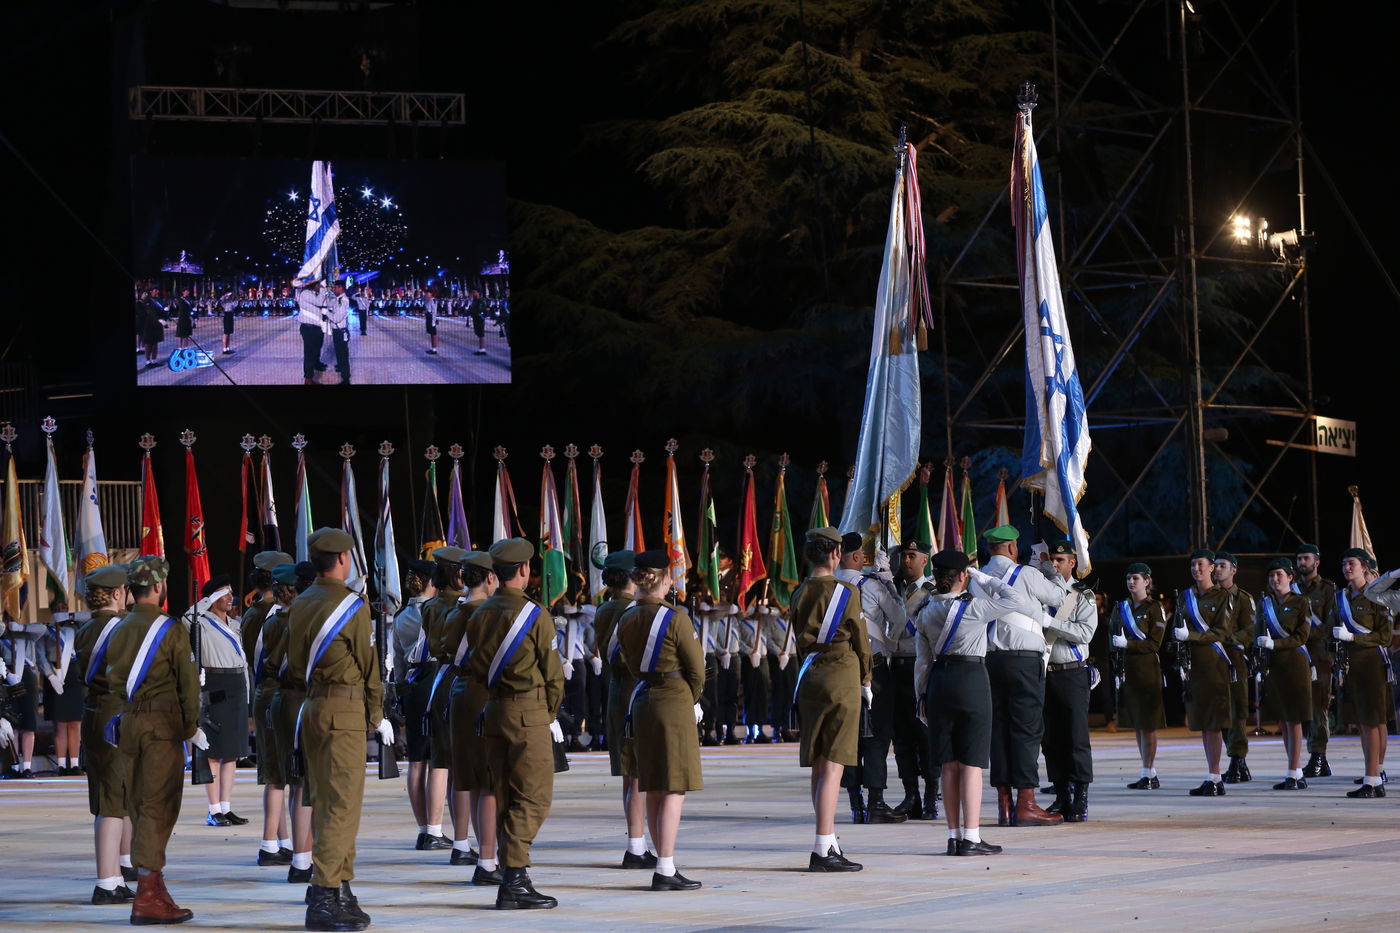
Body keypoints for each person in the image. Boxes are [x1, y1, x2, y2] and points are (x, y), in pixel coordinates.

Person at [285, 528, 389, 932]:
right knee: (342, 806)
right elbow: (368, 664)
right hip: (344, 709)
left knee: (329, 802)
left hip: (312, 707)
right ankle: (324, 895)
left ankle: (342, 887)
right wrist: (376, 714)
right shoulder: (351, 605)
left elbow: (295, 665)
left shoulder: (300, 603)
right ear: (343, 560)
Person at [913, 549, 1043, 856]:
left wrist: (921, 696)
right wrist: (986, 579)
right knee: (971, 763)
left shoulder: (926, 612)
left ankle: (953, 835)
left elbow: (922, 662)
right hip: (971, 679)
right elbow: (1017, 601)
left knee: (948, 764)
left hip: (939, 682)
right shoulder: (973, 609)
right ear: (962, 576)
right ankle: (972, 836)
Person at [465, 538, 564, 910]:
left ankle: (512, 880)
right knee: (533, 798)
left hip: (494, 710)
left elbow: (476, 666)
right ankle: (515, 878)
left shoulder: (480, 614)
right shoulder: (534, 615)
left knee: (505, 795)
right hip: (528, 712)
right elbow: (553, 675)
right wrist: (549, 712)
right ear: (523, 570)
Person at [104, 556, 202, 924]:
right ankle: (146, 895)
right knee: (158, 807)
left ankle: (155, 886)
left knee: (139, 803)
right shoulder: (170, 629)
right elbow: (187, 683)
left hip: (129, 721)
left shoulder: (119, 628)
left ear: (130, 589)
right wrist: (191, 726)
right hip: (161, 724)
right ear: (159, 587)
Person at [618, 549, 706, 890]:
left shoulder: (626, 618)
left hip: (642, 699)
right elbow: (697, 670)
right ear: (664, 579)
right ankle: (666, 867)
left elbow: (627, 662)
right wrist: (692, 697)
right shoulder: (675, 618)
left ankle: (663, 861)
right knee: (673, 785)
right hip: (673, 699)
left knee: (653, 782)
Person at [787, 529, 871, 872]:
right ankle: (823, 847)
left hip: (809, 675)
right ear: (836, 554)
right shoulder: (846, 592)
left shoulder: (799, 592)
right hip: (840, 674)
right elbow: (861, 639)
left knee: (820, 764)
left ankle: (829, 839)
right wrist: (866, 677)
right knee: (835, 765)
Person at [979, 525, 1063, 827]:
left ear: (991, 549)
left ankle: (1004, 803)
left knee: (998, 730)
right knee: (1026, 730)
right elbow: (1059, 596)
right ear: (1013, 548)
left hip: (988, 661)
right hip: (1023, 661)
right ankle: (1026, 803)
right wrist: (1047, 567)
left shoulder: (978, 577)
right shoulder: (1026, 574)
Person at [833, 533, 907, 825]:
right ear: (855, 557)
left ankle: (855, 804)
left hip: (839, 670)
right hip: (873, 669)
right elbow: (900, 617)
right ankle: (875, 802)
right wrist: (887, 581)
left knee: (848, 736)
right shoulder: (872, 586)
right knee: (877, 736)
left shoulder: (827, 587)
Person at [74, 563, 136, 904]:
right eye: (124, 590)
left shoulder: (87, 629)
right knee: (112, 802)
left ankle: (115, 875)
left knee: (112, 797)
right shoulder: (119, 629)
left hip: (95, 712)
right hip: (115, 714)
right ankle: (106, 883)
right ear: (116, 594)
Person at [594, 550, 659, 866]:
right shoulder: (632, 611)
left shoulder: (605, 609)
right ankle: (636, 846)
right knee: (638, 775)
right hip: (637, 692)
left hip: (617, 693)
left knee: (630, 775)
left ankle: (637, 841)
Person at [443, 551, 498, 874]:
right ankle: (489, 861)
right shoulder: (488, 613)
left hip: (459, 690)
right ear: (490, 578)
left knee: (472, 781)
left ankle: (482, 855)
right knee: (489, 782)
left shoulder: (455, 612)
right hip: (484, 694)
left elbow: (443, 649)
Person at [1037, 541, 1099, 821]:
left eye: (1060, 560)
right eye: (1051, 559)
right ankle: (1061, 794)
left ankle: (1081, 797)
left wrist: (1051, 624)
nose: (1054, 564)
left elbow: (1085, 632)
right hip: (1045, 673)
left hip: (1072, 672)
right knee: (1050, 739)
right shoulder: (1040, 593)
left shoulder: (1081, 595)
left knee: (1075, 737)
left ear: (1072, 563)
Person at [391, 559, 449, 851]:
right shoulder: (437, 611)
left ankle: (424, 829)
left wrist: (401, 691)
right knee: (438, 760)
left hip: (412, 686)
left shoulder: (400, 616)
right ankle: (435, 830)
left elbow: (398, 663)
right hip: (433, 681)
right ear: (433, 583)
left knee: (417, 760)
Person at [186, 575, 251, 827]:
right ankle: (213, 810)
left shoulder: (234, 624)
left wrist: (245, 687)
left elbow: (242, 658)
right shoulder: (199, 622)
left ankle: (226, 807)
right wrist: (205, 601)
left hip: (236, 684)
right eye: (224, 593)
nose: (230, 597)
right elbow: (185, 619)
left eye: (231, 592)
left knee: (232, 752)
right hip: (214, 683)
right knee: (212, 751)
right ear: (211, 598)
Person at [1329, 549, 1393, 797]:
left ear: (1365, 567)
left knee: (1372, 722)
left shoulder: (1378, 597)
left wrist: (1353, 636)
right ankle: (1372, 777)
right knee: (1364, 723)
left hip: (1372, 665)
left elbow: (1384, 636)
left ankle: (1374, 779)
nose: (1347, 567)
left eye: (1352, 563)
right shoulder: (1340, 597)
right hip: (1350, 665)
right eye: (1344, 563)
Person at [1172, 548, 1235, 797]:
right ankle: (1212, 775)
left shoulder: (1223, 597)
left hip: (1214, 664)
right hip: (1193, 666)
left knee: (1214, 722)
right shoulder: (1185, 596)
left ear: (1211, 567)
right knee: (1202, 722)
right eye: (1193, 566)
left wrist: (1193, 636)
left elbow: (1222, 632)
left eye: (1201, 565)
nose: (1196, 569)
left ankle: (1216, 775)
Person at [423, 546, 470, 856]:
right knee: (462, 766)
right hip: (458, 678)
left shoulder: (429, 607)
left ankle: (433, 829)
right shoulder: (464, 607)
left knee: (440, 761)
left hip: (438, 679)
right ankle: (462, 839)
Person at [251, 562, 297, 867]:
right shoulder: (280, 619)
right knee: (279, 775)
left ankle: (282, 841)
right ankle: (269, 843)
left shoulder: (254, 614)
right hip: (276, 694)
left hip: (262, 693)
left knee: (276, 772)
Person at [1255, 557, 1314, 789]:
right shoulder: (1264, 602)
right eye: (1271, 576)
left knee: (1294, 718)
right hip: (1274, 666)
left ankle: (1295, 771)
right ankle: (1294, 770)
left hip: (1294, 663)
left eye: (1279, 574)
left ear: (1290, 577)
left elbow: (1302, 636)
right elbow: (1259, 632)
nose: (1275, 579)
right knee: (1283, 719)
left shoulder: (1301, 602)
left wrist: (1275, 645)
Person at [890, 539, 938, 819]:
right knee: (902, 736)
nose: (906, 560)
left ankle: (931, 794)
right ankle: (911, 795)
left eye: (912, 555)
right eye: (904, 555)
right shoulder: (890, 588)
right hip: (895, 665)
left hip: (921, 666)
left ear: (924, 561)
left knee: (925, 734)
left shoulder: (932, 592)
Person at [1110, 563, 1168, 789]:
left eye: (1135, 578)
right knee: (1136, 722)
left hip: (1146, 670)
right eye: (1128, 578)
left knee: (1148, 723)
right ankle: (1146, 771)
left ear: (1147, 581)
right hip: (1127, 669)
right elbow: (1112, 636)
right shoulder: (1121, 606)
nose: (1131, 582)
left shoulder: (1155, 608)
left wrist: (1129, 643)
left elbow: (1155, 643)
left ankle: (1150, 772)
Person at [1294, 544, 1338, 778]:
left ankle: (1318, 755)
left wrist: (1304, 631)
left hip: (1319, 655)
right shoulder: (1291, 588)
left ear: (1317, 562)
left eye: (1306, 558)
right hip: (1296, 654)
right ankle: (1312, 756)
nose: (1302, 562)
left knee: (1318, 705)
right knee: (1301, 707)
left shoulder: (1327, 589)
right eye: (1299, 558)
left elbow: (1330, 625)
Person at [1213, 552, 1256, 784]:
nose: (1217, 570)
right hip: (1213, 660)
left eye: (1223, 566)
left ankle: (1238, 758)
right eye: (1216, 565)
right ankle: (1235, 759)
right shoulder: (1209, 597)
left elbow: (1249, 631)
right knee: (1220, 711)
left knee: (1237, 710)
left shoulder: (1242, 598)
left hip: (1234, 658)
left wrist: (1222, 637)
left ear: (1234, 570)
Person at [40, 601, 86, 775]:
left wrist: (71, 617)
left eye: (64, 610)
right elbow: (40, 655)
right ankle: (60, 764)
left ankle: (74, 764)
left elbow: (88, 617)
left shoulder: (76, 628)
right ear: (52, 612)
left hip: (74, 676)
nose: (61, 612)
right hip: (55, 675)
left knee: (75, 722)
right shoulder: (47, 631)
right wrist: (50, 676)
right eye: (57, 610)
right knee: (59, 724)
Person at [296, 280, 329, 385]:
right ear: (314, 285)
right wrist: (324, 291)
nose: (320, 287)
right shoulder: (306, 294)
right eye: (319, 285)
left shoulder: (314, 294)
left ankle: (317, 364)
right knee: (309, 353)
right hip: (309, 328)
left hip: (317, 327)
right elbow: (319, 302)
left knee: (317, 348)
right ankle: (308, 378)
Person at [326, 281, 352, 385]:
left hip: (341, 331)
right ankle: (341, 366)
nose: (334, 289)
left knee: (343, 355)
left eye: (335, 288)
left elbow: (336, 318)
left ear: (341, 288)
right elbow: (330, 306)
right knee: (339, 352)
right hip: (337, 331)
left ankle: (346, 378)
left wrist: (326, 313)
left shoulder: (344, 300)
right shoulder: (338, 299)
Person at [425, 287, 440, 354]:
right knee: (431, 333)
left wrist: (434, 321)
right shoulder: (428, 300)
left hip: (431, 317)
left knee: (434, 334)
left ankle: (434, 349)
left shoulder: (433, 300)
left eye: (428, 293)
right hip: (428, 317)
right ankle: (433, 348)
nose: (426, 294)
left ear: (431, 294)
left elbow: (434, 311)